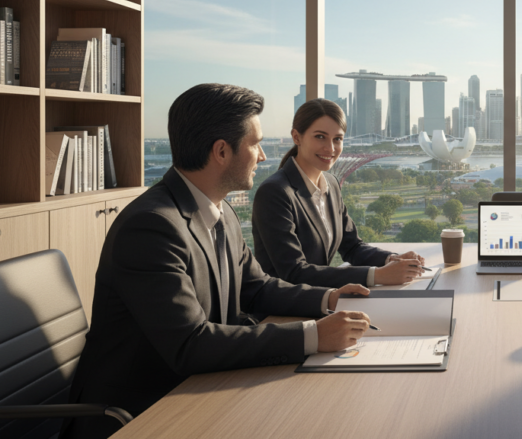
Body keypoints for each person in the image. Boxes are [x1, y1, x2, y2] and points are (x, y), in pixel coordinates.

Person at [63, 84, 372, 439]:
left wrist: (330, 299)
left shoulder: (219, 210)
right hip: (139, 414)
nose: (263, 157)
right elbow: (190, 344)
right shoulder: (151, 227)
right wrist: (312, 335)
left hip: (201, 392)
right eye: (255, 144)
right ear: (221, 151)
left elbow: (258, 288)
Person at [252, 99, 426, 288]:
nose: (331, 148)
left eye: (338, 139)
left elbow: (352, 247)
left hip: (322, 301)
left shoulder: (331, 184)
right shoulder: (275, 192)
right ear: (297, 137)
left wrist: (391, 260)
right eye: (320, 137)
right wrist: (377, 276)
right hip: (283, 311)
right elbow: (294, 272)